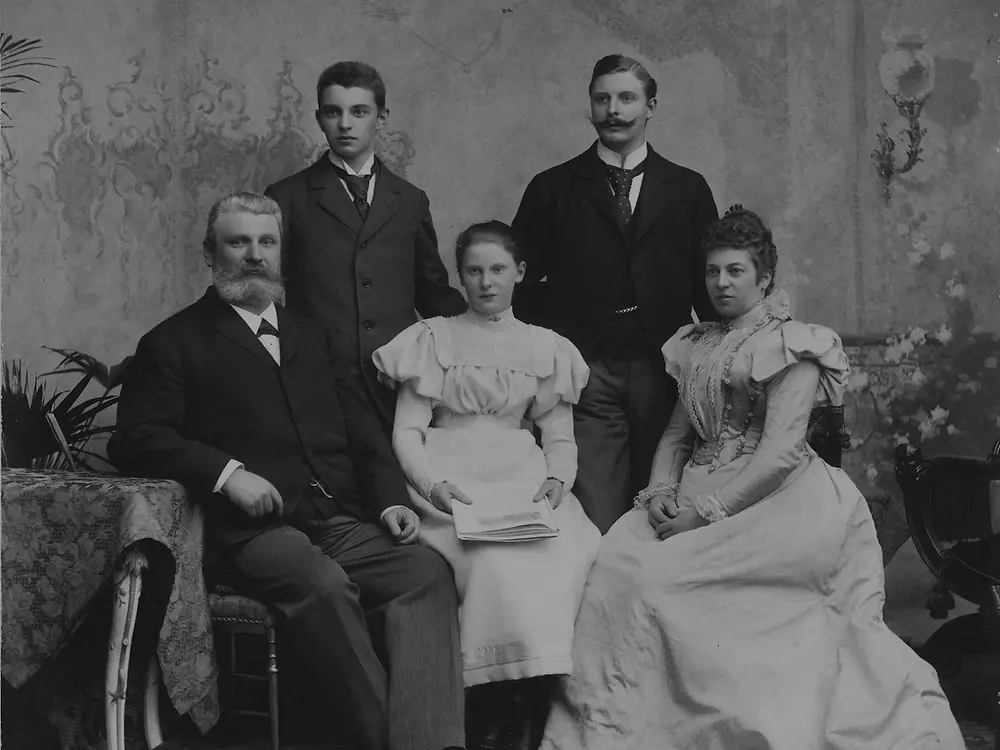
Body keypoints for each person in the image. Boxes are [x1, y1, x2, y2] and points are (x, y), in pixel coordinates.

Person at [539, 207, 965, 749]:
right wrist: (662, 493)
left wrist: (706, 513)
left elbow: (781, 455)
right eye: (713, 272)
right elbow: (677, 434)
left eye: (735, 271)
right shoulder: (696, 343)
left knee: (661, 584)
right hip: (694, 488)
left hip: (777, 502)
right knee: (614, 565)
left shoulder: (793, 345)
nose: (721, 283)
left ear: (764, 278)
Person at [107, 193, 466, 750]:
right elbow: (136, 438)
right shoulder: (172, 341)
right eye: (238, 242)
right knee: (322, 586)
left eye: (266, 242)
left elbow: (362, 429)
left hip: (338, 514)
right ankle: (386, 742)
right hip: (252, 530)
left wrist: (391, 500)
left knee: (424, 572)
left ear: (281, 253)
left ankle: (429, 743)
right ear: (210, 252)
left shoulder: (313, 333)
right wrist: (227, 474)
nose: (254, 255)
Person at [372, 221, 601, 750]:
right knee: (493, 564)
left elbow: (560, 438)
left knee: (565, 552)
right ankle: (487, 703)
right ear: (461, 276)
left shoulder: (546, 347)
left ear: (519, 273)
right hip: (452, 481)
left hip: (522, 477)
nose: (486, 282)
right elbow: (406, 433)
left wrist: (556, 481)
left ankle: (532, 699)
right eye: (473, 271)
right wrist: (433, 487)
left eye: (498, 269)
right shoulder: (433, 338)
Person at [512, 54, 720, 534]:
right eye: (602, 98)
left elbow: (708, 284)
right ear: (590, 107)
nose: (614, 110)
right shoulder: (553, 188)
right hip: (587, 371)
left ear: (651, 106)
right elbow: (518, 283)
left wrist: (714, 356)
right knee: (596, 510)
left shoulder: (687, 189)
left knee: (661, 503)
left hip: (664, 367)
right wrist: (557, 341)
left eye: (627, 98)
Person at [265, 61, 466, 432]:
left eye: (359, 112)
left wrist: (487, 334)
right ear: (319, 118)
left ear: (382, 117)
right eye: (333, 112)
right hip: (321, 384)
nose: (345, 124)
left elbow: (433, 293)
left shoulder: (409, 200)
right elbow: (263, 293)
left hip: (396, 386)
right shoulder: (287, 197)